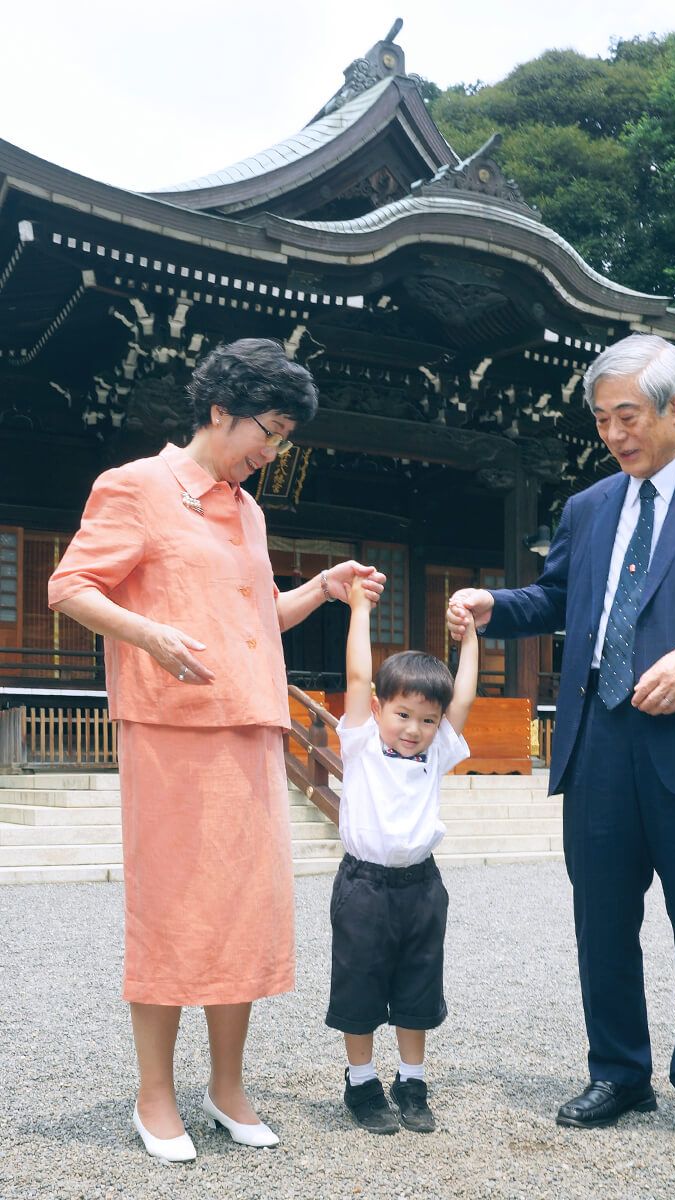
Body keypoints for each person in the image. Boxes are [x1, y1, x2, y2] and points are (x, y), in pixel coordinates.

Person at [447, 334, 675, 1151]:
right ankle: (617, 1071)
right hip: (597, 736)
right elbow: (558, 598)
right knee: (600, 920)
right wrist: (493, 606)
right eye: (602, 419)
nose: (613, 434)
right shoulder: (590, 507)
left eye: (627, 415)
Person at [47, 338, 385, 1164]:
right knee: (172, 914)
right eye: (265, 432)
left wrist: (321, 589)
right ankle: (154, 1094)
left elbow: (254, 618)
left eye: (281, 440)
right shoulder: (136, 485)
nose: (269, 453)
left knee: (243, 916)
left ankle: (226, 1086)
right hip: (171, 732)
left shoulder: (249, 509)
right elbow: (69, 586)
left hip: (250, 726)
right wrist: (148, 632)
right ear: (218, 411)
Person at [325, 578, 478, 1135]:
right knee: (360, 984)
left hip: (421, 887)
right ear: (379, 709)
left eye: (427, 719)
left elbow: (461, 698)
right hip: (364, 886)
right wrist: (362, 608)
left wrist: (471, 640)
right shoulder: (362, 743)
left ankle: (411, 1079)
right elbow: (360, 676)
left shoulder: (435, 753)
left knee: (418, 984)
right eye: (403, 714)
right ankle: (361, 1080)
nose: (415, 729)